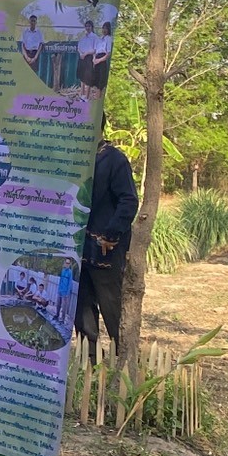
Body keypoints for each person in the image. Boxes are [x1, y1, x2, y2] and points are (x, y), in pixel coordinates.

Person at [78, 136, 139, 360]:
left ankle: (125, 362)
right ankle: (90, 362)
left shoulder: (114, 160)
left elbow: (128, 200)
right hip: (77, 249)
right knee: (82, 306)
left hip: (105, 249)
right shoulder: (75, 157)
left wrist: (112, 234)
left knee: (111, 306)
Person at [76, 20, 99, 99]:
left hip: (89, 58)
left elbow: (95, 50)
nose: (87, 28)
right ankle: (82, 94)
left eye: (89, 26)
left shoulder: (95, 37)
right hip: (82, 57)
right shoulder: (83, 37)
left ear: (92, 27)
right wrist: (81, 54)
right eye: (86, 26)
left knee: (88, 78)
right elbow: (79, 47)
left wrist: (86, 54)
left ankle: (87, 96)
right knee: (82, 76)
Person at [93, 21, 114, 91]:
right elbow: (96, 50)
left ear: (108, 30)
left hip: (102, 59)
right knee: (96, 79)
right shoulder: (100, 38)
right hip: (97, 58)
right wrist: (94, 59)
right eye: (103, 28)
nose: (104, 30)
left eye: (106, 28)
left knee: (101, 81)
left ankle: (99, 94)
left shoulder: (108, 38)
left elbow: (108, 54)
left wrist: (99, 60)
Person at [56, 257, 76, 323]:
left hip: (65, 292)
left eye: (68, 263)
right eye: (66, 263)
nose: (67, 264)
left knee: (64, 307)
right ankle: (57, 315)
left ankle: (62, 319)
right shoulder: (63, 270)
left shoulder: (70, 272)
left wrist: (67, 293)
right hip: (60, 291)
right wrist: (59, 289)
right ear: (64, 263)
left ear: (70, 264)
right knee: (58, 304)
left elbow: (70, 283)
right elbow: (61, 280)